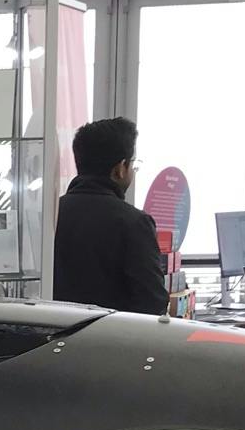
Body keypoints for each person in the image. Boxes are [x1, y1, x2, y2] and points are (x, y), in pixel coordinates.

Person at [52, 117, 167, 316]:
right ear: (120, 169)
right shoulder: (134, 223)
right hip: (112, 341)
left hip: (53, 340)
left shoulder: (51, 214)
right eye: (132, 164)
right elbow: (152, 303)